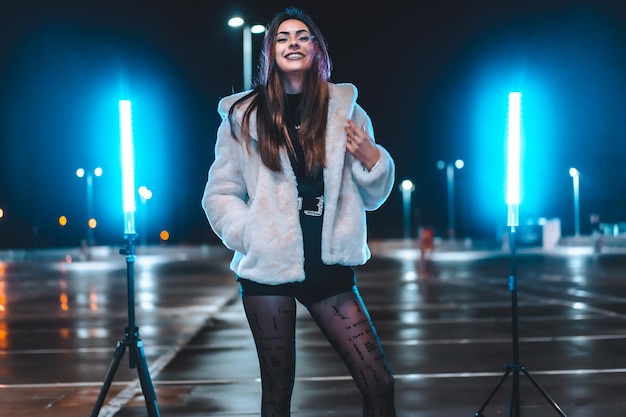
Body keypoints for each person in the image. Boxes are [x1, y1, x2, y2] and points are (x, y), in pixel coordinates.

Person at [202, 6, 396, 416]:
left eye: (302, 36)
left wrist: (372, 157)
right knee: (277, 391)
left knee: (378, 383)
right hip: (268, 269)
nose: (293, 42)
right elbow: (220, 193)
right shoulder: (243, 116)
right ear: (271, 52)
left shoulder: (347, 112)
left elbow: (374, 196)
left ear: (316, 50)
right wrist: (249, 234)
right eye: (282, 37)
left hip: (328, 267)